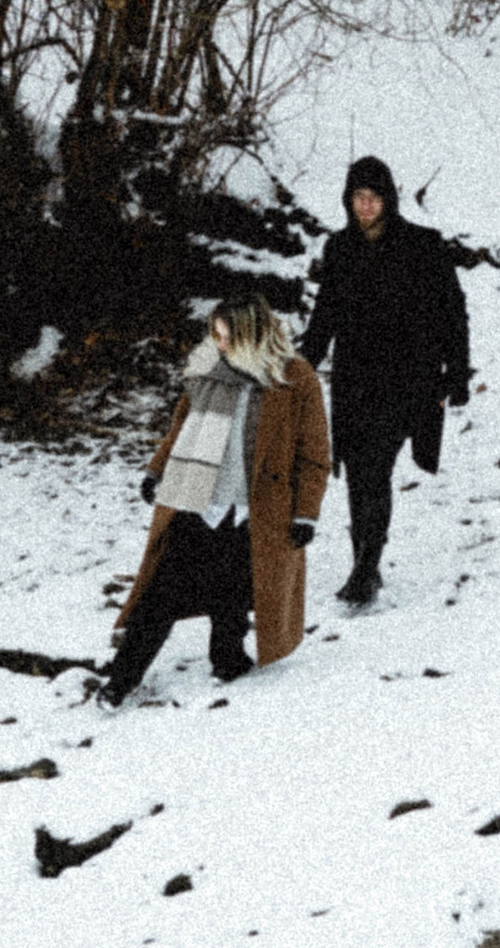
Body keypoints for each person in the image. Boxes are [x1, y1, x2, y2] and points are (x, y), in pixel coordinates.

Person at [102, 295, 330, 704]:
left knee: (233, 593)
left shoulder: (296, 378)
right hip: (198, 499)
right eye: (215, 334)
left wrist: (306, 514)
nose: (218, 343)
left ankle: (228, 660)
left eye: (226, 336)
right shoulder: (208, 369)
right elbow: (181, 427)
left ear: (250, 333)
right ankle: (121, 680)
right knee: (161, 593)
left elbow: (314, 455)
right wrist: (157, 469)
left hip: (255, 509)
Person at [297, 155, 471, 608]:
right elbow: (325, 315)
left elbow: (453, 312)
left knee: (374, 468)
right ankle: (365, 563)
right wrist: (300, 365)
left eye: (373, 197)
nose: (365, 206)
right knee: (357, 474)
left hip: (408, 379)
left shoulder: (423, 246)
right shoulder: (339, 249)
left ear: (388, 199)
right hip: (354, 379)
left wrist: (457, 373)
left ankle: (366, 567)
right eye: (358, 197)